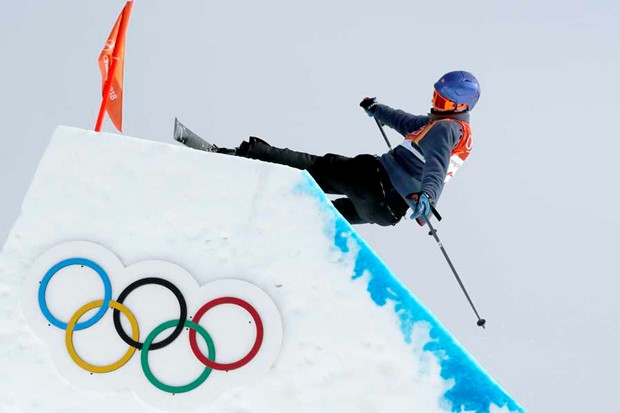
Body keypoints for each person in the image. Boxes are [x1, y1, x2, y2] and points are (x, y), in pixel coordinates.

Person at [178, 71, 480, 227]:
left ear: (460, 106)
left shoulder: (445, 128)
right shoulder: (451, 129)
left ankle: (234, 155)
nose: (435, 104)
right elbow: (405, 121)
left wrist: (429, 196)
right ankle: (273, 227)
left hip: (375, 180)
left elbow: (436, 168)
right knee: (318, 213)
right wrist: (378, 110)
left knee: (313, 168)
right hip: (387, 210)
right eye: (435, 97)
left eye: (442, 102)